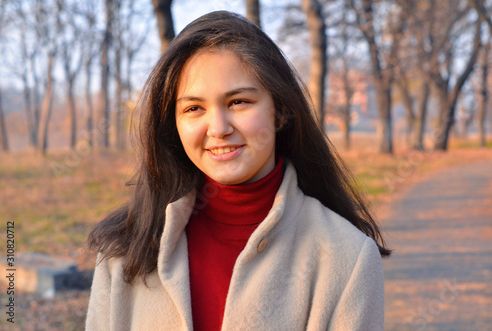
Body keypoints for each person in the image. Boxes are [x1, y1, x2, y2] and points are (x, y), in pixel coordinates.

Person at [86, 10, 390, 331]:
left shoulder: (347, 257)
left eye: (238, 102)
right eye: (194, 108)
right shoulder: (125, 250)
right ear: (172, 125)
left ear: (280, 110)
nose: (218, 128)